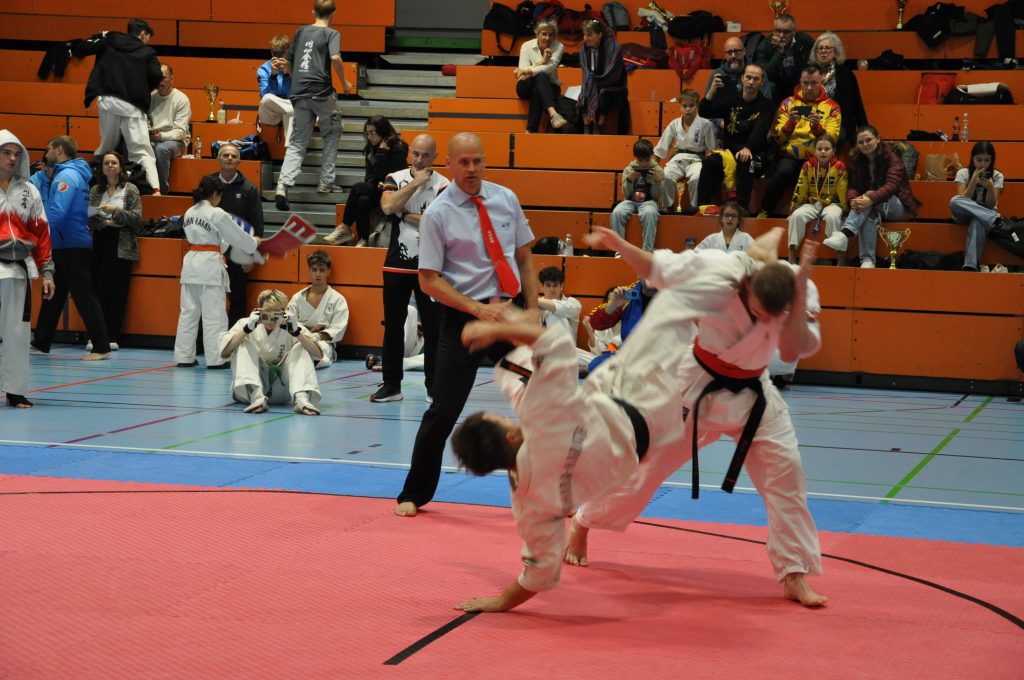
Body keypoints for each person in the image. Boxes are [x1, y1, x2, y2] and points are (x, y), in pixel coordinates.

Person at [564, 225, 828, 609]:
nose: (762, 320)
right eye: (756, 310)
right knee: (644, 472)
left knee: (787, 473)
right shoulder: (717, 271)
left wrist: (801, 290)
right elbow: (656, 268)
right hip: (696, 384)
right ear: (745, 287)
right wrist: (619, 243)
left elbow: (791, 349)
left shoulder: (798, 289)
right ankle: (584, 520)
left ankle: (794, 572)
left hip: (755, 390)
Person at [450, 280, 704, 612]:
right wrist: (501, 330)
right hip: (644, 401)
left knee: (520, 379)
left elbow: (540, 573)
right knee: (682, 327)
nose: (507, 418)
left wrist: (500, 602)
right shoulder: (540, 413)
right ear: (510, 436)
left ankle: (512, 328)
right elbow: (556, 345)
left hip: (638, 438)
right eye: (502, 420)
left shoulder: (527, 505)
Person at [394, 132, 538, 518]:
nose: (472, 169)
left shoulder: (506, 198)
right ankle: (414, 492)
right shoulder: (438, 214)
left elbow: (524, 256)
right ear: (450, 165)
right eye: (464, 162)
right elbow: (429, 280)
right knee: (443, 409)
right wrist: (477, 310)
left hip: (511, 316)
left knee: (542, 402)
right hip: (463, 321)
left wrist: (532, 310)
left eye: (477, 161)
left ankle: (550, 490)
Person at [370, 133, 448, 403]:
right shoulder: (395, 177)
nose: (419, 159)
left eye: (426, 155)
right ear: (409, 153)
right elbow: (387, 206)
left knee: (434, 328)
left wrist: (403, 214)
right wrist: (416, 183)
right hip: (396, 265)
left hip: (430, 267)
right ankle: (391, 385)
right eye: (416, 153)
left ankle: (434, 387)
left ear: (435, 157)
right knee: (392, 326)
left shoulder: (444, 185)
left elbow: (435, 223)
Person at [31, 136, 112, 361]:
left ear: (59, 150)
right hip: (66, 242)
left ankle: (101, 346)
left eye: (48, 149)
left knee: (84, 295)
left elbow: (57, 211)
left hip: (71, 244)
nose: (46, 153)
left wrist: (39, 236)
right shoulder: (70, 173)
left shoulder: (66, 176)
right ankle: (41, 341)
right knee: (53, 294)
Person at [173, 175, 262, 369]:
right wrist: (253, 242)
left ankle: (183, 356)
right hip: (209, 267)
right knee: (214, 315)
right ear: (215, 194)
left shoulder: (189, 211)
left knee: (188, 313)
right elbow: (238, 237)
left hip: (191, 263)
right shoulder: (216, 213)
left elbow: (218, 240)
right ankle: (217, 359)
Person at [274, 0, 353, 211]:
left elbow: (288, 60)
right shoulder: (332, 33)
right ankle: (326, 182)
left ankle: (282, 185)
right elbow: (335, 57)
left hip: (299, 93)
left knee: (298, 142)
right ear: (333, 13)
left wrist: (296, 79)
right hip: (321, 92)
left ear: (313, 11)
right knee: (332, 133)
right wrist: (345, 82)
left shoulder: (301, 31)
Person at [0, 130, 55, 408]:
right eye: (6, 153)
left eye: (16, 154)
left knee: (18, 334)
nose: (12, 158)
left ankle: (15, 391)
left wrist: (47, 272)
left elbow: (42, 233)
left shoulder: (29, 191)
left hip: (18, 269)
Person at [83, 18, 163, 194]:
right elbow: (157, 74)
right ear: (143, 34)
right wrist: (144, 88)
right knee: (141, 151)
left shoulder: (110, 41)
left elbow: (85, 48)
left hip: (108, 101)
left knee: (106, 148)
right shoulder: (146, 52)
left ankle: (96, 187)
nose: (148, 41)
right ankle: (155, 190)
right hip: (132, 106)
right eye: (148, 37)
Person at [822, 125, 921, 268]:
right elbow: (853, 186)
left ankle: (845, 234)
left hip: (898, 205)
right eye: (861, 142)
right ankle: (867, 262)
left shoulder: (892, 156)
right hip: (871, 206)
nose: (865, 144)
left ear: (878, 139)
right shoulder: (856, 160)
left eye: (868, 140)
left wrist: (871, 198)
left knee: (868, 198)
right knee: (869, 211)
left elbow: (892, 186)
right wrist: (853, 200)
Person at [218, 289, 322, 415]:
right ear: (259, 310)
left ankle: (301, 399)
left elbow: (319, 354)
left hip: (283, 391)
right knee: (242, 344)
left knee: (301, 347)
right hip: (249, 391)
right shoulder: (246, 323)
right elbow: (224, 352)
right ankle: (257, 398)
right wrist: (246, 330)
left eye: (276, 313)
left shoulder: (293, 325)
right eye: (267, 311)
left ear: (284, 312)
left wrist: (297, 333)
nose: (271, 317)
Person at [759, 64, 841, 218]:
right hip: (791, 157)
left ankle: (819, 217)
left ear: (822, 82)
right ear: (800, 82)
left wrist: (817, 128)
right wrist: (789, 124)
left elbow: (832, 140)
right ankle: (765, 211)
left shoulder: (832, 107)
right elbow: (777, 138)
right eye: (805, 83)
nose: (809, 88)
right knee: (782, 172)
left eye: (814, 83)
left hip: (819, 159)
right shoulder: (788, 103)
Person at [695, 64, 775, 213]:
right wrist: (711, 91)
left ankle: (741, 208)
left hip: (756, 154)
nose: (751, 82)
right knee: (709, 161)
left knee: (746, 160)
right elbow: (704, 112)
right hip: (729, 154)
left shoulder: (767, 105)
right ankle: (703, 206)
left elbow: (761, 129)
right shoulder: (730, 99)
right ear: (742, 78)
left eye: (756, 79)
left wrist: (748, 147)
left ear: (762, 82)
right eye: (748, 77)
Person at [324, 115, 408, 246]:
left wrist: (382, 153)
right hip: (377, 190)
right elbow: (369, 177)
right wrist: (377, 182)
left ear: (383, 131)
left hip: (395, 193)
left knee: (357, 187)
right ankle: (363, 239)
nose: (369, 137)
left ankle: (345, 227)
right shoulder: (370, 149)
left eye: (373, 132)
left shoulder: (398, 148)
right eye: (367, 133)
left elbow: (398, 175)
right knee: (363, 199)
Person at [86, 151, 142, 350]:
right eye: (106, 163)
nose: (110, 166)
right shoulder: (95, 190)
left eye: (114, 163)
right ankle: (95, 336)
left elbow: (136, 219)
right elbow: (89, 218)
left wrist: (115, 211)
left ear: (120, 167)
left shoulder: (131, 189)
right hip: (98, 243)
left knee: (116, 293)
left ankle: (111, 336)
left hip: (122, 245)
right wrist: (107, 223)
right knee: (97, 290)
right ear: (101, 168)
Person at [212, 142, 265, 325]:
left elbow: (257, 225)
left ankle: (236, 337)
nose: (229, 158)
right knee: (211, 299)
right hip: (211, 252)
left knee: (237, 298)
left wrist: (251, 254)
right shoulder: (209, 185)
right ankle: (207, 339)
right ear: (218, 159)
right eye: (225, 155)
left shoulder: (249, 189)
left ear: (239, 161)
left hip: (238, 254)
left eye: (234, 156)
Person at [949, 141, 1017, 272]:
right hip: (964, 214)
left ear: (992, 160)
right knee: (954, 201)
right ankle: (995, 219)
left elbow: (991, 204)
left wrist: (990, 187)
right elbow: (962, 200)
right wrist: (973, 181)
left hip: (984, 214)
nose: (983, 164)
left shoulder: (997, 176)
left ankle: (970, 266)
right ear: (972, 158)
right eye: (979, 160)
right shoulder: (963, 173)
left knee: (978, 219)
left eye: (987, 160)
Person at [654, 89, 718, 212]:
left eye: (691, 105)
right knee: (666, 175)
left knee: (697, 177)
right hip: (677, 159)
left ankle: (695, 207)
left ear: (697, 105)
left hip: (696, 160)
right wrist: (655, 166)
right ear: (680, 107)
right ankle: (667, 207)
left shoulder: (706, 124)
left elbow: (712, 150)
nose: (688, 109)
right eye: (684, 106)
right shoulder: (674, 124)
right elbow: (661, 147)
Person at [787, 135, 847, 263]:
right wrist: (793, 209)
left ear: (833, 151)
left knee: (833, 217)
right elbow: (800, 187)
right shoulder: (808, 166)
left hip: (832, 204)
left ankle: (840, 256)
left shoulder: (839, 167)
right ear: (814, 151)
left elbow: (842, 189)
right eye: (819, 149)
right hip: (812, 203)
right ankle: (791, 255)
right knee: (797, 216)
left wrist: (845, 209)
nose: (823, 152)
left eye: (827, 149)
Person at [287, 249, 349, 368]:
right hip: (298, 339)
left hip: (323, 343)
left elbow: (338, 329)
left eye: (322, 270)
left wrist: (317, 336)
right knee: (296, 346)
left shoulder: (337, 299)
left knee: (313, 352)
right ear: (309, 271)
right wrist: (307, 333)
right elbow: (289, 321)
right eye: (314, 270)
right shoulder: (298, 298)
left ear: (328, 272)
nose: (318, 274)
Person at [808, 32, 867, 147]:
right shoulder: (808, 73)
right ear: (815, 52)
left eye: (827, 48)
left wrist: (864, 129)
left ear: (836, 51)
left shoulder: (846, 74)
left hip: (839, 123)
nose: (823, 51)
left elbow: (856, 104)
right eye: (820, 48)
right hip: (812, 120)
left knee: (830, 138)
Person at [611, 139, 668, 253]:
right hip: (630, 200)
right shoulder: (628, 170)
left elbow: (656, 196)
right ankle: (620, 250)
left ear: (652, 155)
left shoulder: (658, 171)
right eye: (640, 160)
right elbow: (626, 194)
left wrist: (657, 182)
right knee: (617, 212)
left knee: (650, 213)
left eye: (647, 160)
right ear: (635, 157)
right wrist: (629, 180)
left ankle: (647, 251)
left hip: (649, 201)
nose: (643, 164)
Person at [515, 19, 567, 133]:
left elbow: (550, 67)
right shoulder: (526, 46)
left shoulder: (558, 46)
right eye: (544, 34)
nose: (547, 38)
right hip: (525, 85)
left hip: (550, 85)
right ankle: (553, 113)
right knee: (540, 76)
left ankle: (531, 130)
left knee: (538, 86)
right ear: (537, 34)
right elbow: (523, 73)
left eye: (551, 34)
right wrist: (542, 61)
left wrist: (531, 70)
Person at [578, 19, 628, 135]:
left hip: (613, 86)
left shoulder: (613, 47)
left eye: (589, 35)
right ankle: (586, 126)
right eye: (584, 34)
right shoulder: (583, 50)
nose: (585, 39)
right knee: (583, 95)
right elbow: (586, 76)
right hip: (592, 84)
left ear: (600, 34)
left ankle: (598, 126)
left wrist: (596, 81)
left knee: (602, 94)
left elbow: (613, 75)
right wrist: (587, 87)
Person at [148, 63, 191, 195]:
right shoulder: (150, 97)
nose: (159, 81)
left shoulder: (181, 99)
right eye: (157, 78)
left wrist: (161, 136)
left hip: (177, 142)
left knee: (161, 149)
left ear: (172, 79)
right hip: (153, 138)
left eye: (163, 78)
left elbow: (180, 132)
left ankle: (162, 192)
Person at [754, 13, 814, 105]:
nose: (781, 35)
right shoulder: (764, 47)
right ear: (773, 31)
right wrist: (779, 52)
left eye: (786, 32)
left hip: (801, 85)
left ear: (794, 32)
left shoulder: (805, 41)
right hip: (776, 88)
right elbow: (766, 76)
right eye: (778, 31)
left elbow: (814, 66)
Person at [704, 36, 774, 102]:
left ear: (744, 51)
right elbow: (707, 104)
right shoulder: (717, 74)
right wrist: (712, 91)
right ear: (725, 55)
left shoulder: (757, 73)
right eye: (729, 52)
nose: (733, 56)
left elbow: (767, 101)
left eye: (737, 51)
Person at [257, 35, 295, 145]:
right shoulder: (263, 69)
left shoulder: (295, 67)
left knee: (291, 112)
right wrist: (273, 76)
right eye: (277, 53)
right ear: (272, 52)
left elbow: (294, 95)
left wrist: (287, 74)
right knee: (266, 98)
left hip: (289, 109)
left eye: (284, 53)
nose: (281, 56)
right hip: (270, 114)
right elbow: (264, 96)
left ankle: (290, 151)